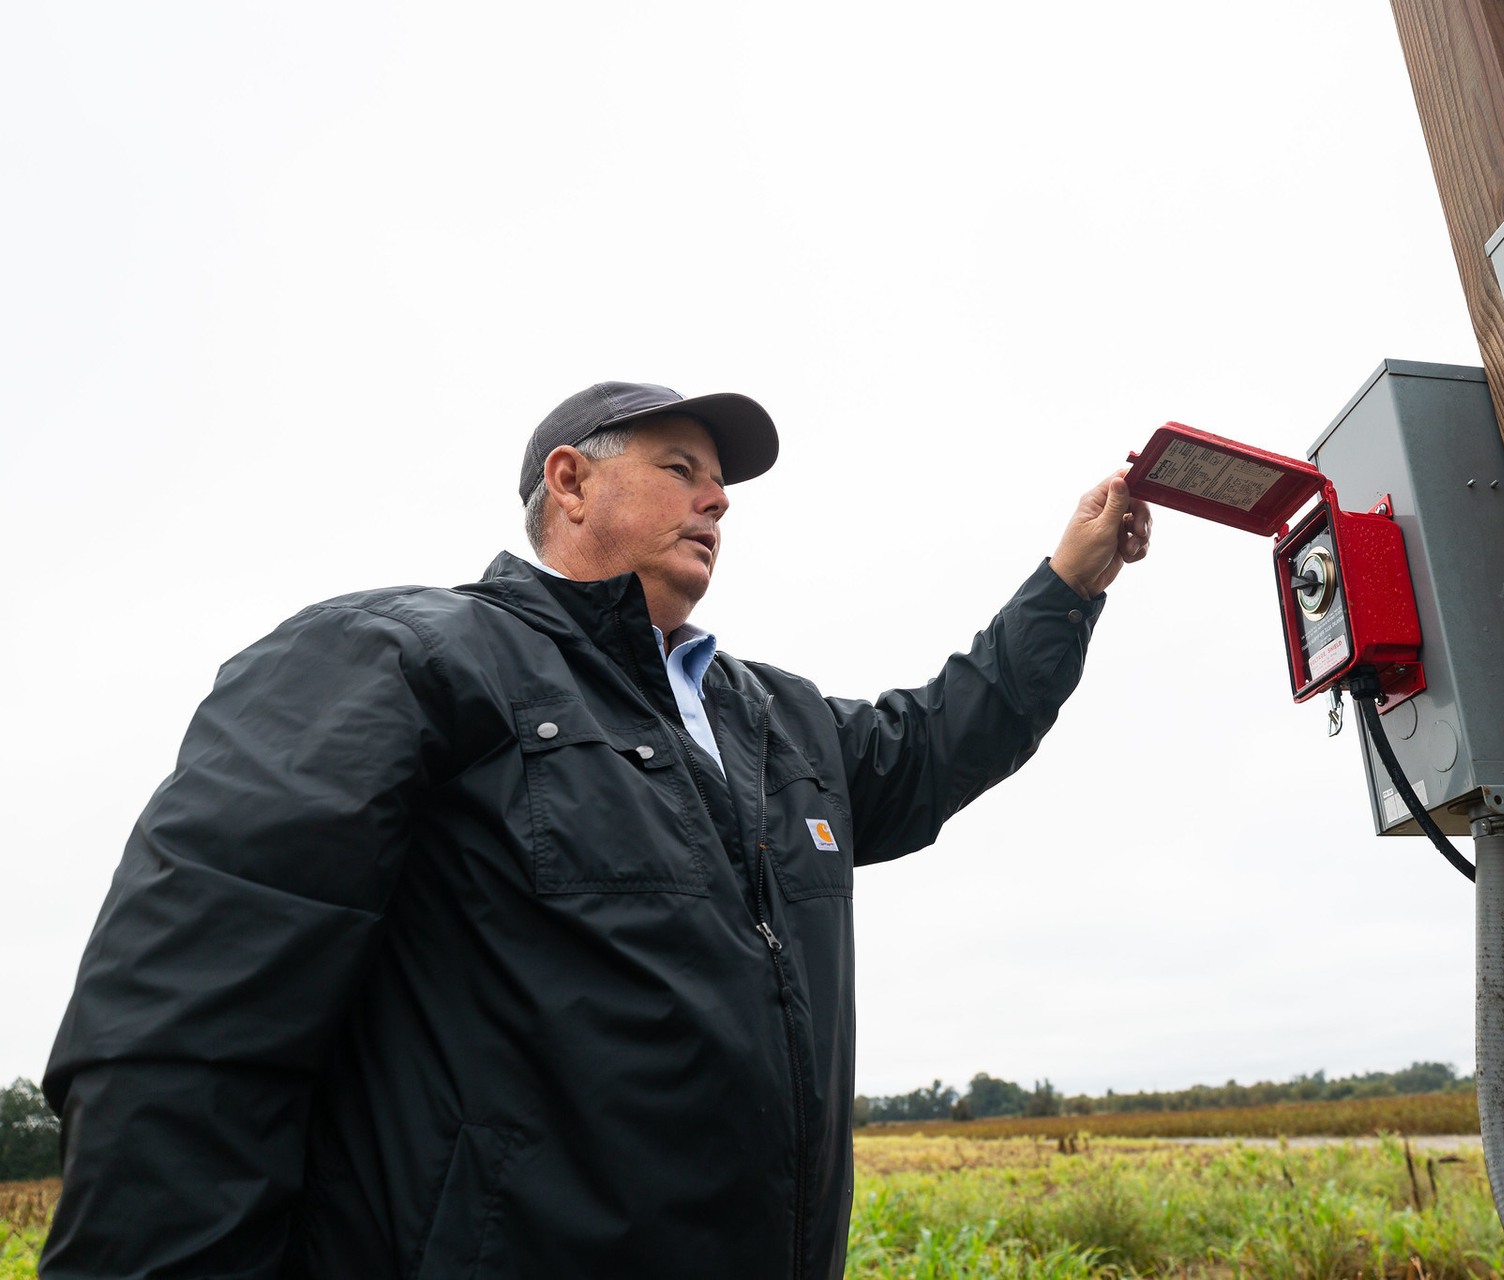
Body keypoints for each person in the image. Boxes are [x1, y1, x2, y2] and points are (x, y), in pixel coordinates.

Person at [41, 381, 1151, 1278]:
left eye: (722, 488)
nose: (717, 501)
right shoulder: (403, 655)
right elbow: (189, 1033)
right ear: (568, 480)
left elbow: (935, 745)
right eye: (682, 470)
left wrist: (1067, 584)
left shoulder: (777, 718)